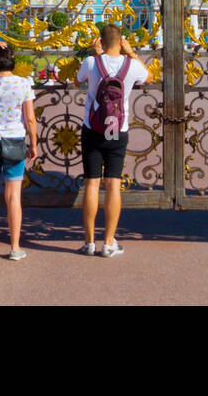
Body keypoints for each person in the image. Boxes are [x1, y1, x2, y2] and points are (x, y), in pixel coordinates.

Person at [77, 23, 149, 258]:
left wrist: (92, 54)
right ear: (121, 42)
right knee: (113, 184)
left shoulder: (91, 63)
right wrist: (132, 53)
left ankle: (89, 242)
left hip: (93, 127)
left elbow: (78, 79)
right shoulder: (132, 66)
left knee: (92, 184)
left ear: (101, 41)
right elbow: (150, 77)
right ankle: (108, 243)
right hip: (117, 130)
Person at [0, 40, 38, 261]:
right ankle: (14, 247)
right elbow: (30, 119)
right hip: (14, 140)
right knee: (13, 196)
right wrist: (34, 144)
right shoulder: (24, 84)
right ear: (12, 61)